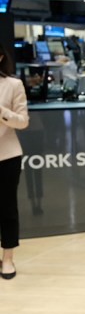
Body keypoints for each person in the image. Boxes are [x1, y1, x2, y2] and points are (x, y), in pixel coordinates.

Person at [0, 41, 29, 280]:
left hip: (7, 156)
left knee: (7, 209)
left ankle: (8, 258)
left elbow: (22, 121)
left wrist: (3, 112)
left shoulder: (13, 85)